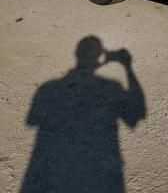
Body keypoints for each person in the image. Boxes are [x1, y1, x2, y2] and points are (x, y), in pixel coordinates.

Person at [21, 36, 146, 193]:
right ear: (101, 58)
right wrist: (127, 67)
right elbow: (136, 117)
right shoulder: (112, 87)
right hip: (100, 175)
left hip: (57, 172)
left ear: (76, 55)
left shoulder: (48, 88)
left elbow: (32, 121)